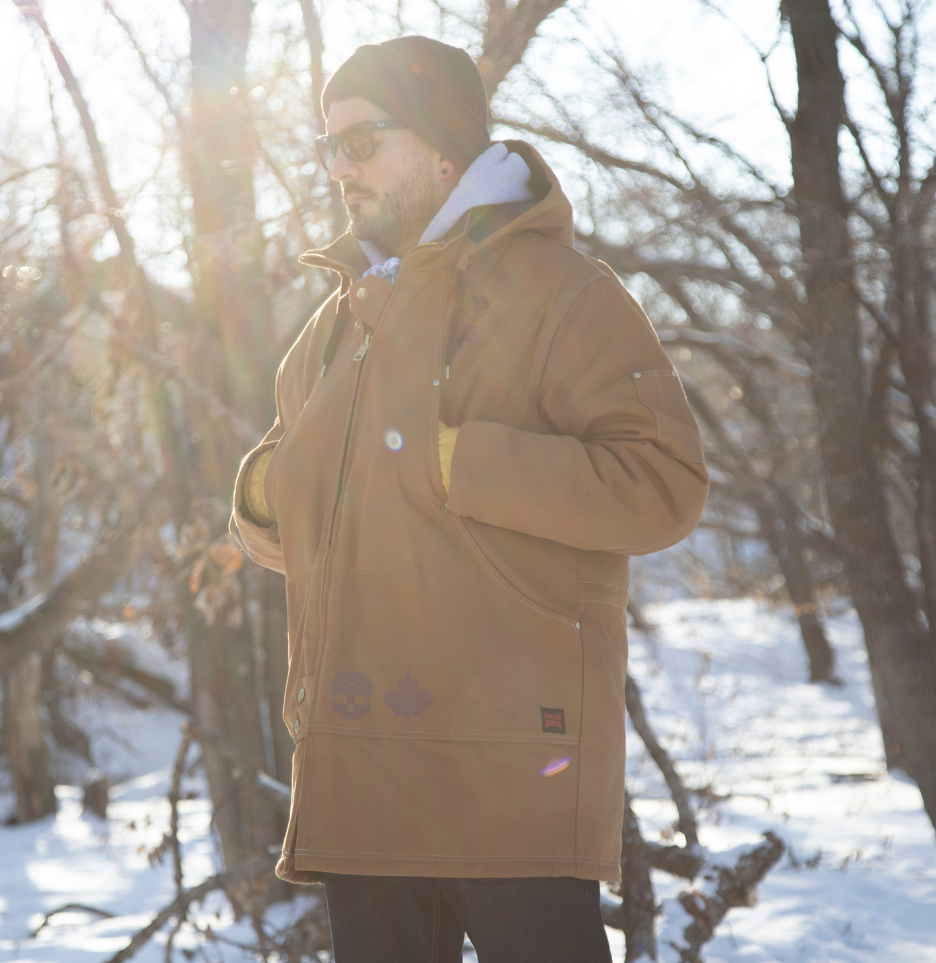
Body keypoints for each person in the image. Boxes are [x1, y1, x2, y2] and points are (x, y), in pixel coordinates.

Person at [230, 35, 708, 962]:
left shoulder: (564, 293)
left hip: (510, 772)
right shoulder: (335, 324)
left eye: (360, 142)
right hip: (360, 768)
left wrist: (457, 462)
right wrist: (260, 495)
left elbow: (663, 484)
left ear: (445, 149)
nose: (338, 169)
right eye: (328, 147)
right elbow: (290, 509)